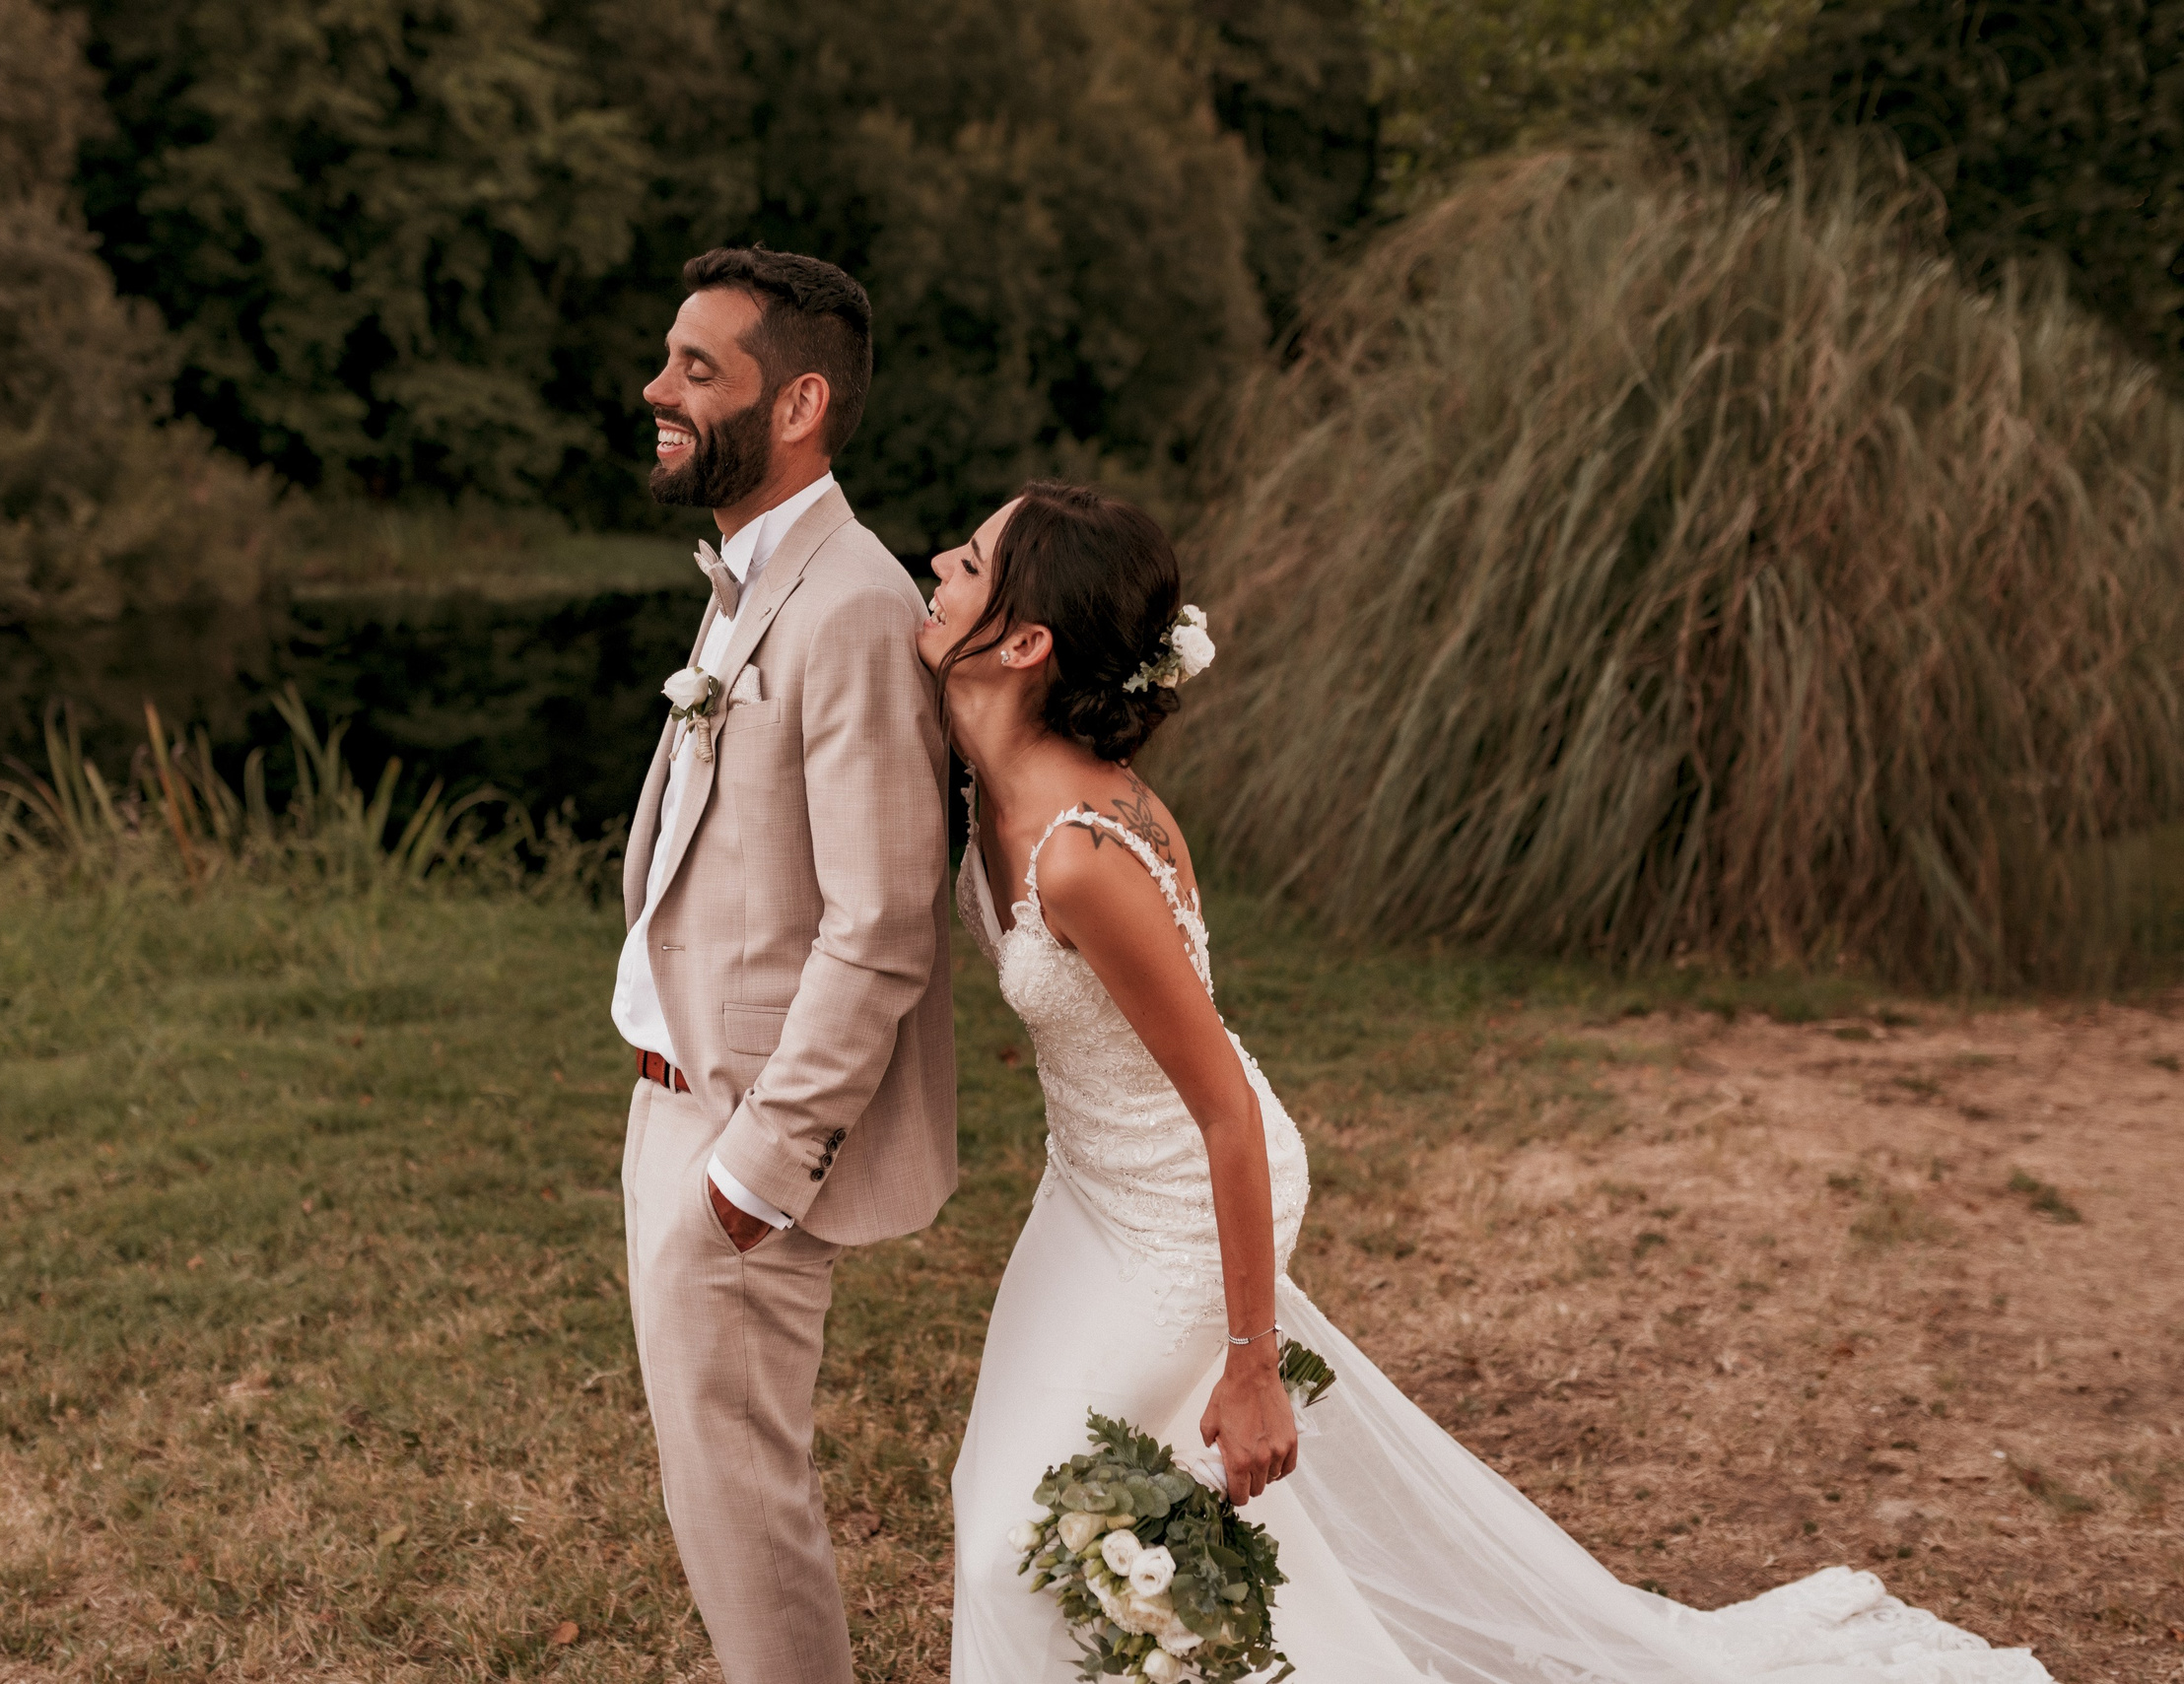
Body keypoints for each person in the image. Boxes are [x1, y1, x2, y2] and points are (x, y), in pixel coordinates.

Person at [927, 482, 2053, 1683]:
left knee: (1016, 1542)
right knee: (1018, 1501)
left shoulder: (1086, 856)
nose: (938, 560)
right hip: (1084, 1189)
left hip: (1183, 1206)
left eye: (971, 557)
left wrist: (1252, 1364)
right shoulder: (967, 744)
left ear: (1025, 641)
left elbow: (1227, 1113)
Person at [613, 245, 955, 1684]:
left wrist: (761, 1163)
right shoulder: (756, 570)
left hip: (747, 1133)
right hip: (676, 1099)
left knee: (750, 1517)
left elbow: (882, 919)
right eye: (668, 359)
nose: (659, 387)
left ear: (799, 400)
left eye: (701, 368)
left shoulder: (856, 603)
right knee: (717, 1502)